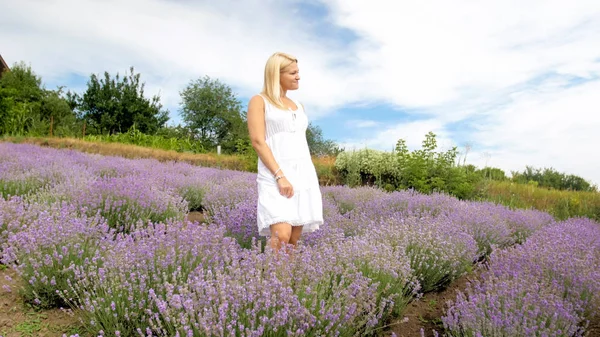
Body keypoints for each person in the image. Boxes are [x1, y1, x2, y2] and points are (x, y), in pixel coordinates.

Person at [247, 52, 323, 252]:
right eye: (293, 73)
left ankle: (285, 281)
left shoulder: (299, 106)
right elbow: (257, 141)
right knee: (281, 235)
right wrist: (280, 176)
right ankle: (269, 282)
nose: (298, 76)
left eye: (298, 72)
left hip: (302, 174)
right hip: (275, 174)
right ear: (276, 74)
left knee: (293, 241)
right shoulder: (259, 101)